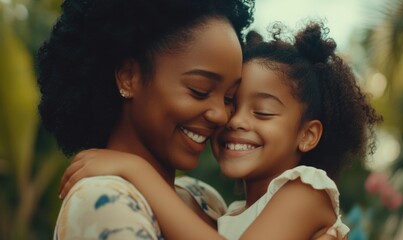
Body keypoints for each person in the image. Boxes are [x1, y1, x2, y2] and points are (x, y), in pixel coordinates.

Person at [60, 21, 382, 239]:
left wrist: (136, 170)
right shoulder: (226, 213)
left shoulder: (306, 191)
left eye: (263, 112)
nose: (229, 119)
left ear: (307, 135)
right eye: (232, 102)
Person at [37, 0, 255, 239]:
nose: (221, 115)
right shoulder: (102, 201)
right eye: (199, 90)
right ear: (129, 77)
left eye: (229, 97)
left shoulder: (203, 198)